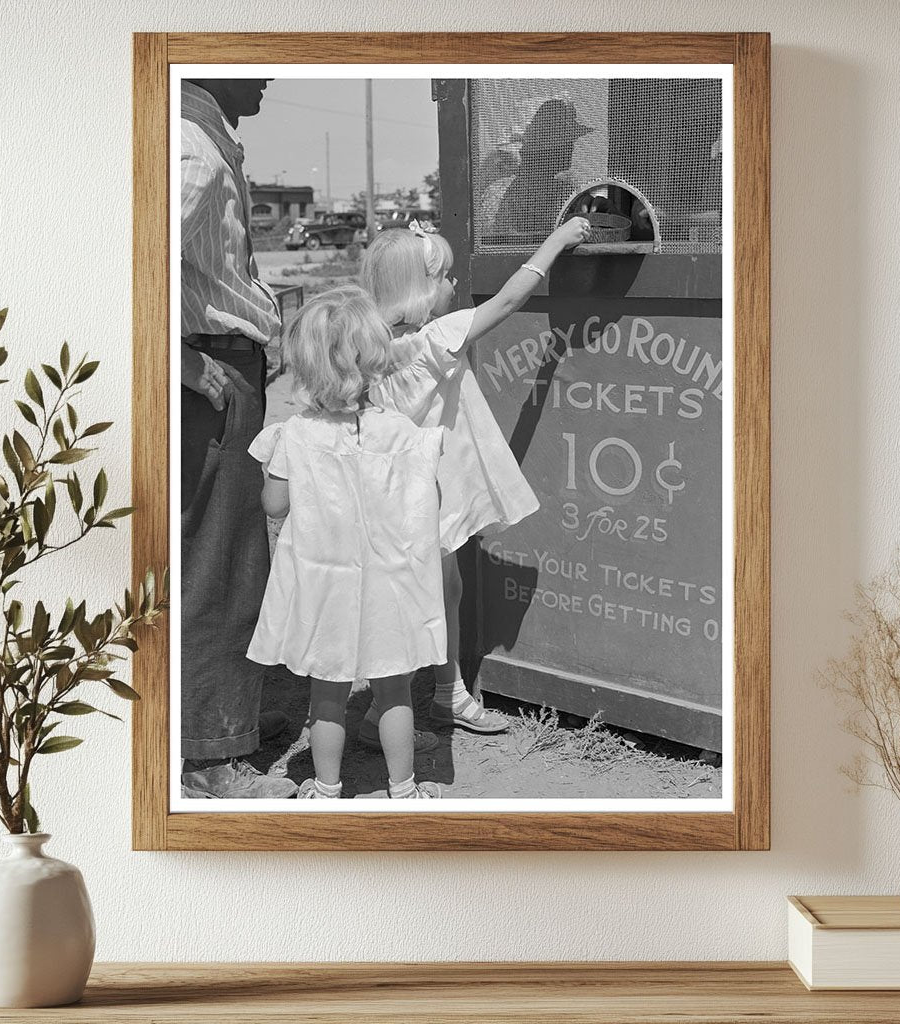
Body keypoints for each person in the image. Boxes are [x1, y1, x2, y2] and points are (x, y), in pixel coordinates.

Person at [361, 215, 591, 735]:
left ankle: (423, 695)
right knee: (437, 591)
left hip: (389, 494)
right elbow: (509, 301)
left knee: (429, 590)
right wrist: (556, 239)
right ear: (418, 292)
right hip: (428, 491)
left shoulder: (372, 348)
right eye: (444, 279)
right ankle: (417, 702)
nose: (454, 285)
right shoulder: (438, 338)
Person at [247, 287, 447, 800]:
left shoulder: (294, 435)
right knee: (395, 687)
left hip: (324, 579)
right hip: (388, 579)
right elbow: (428, 494)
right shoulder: (400, 432)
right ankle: (403, 790)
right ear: (373, 359)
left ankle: (327, 787)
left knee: (327, 691)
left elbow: (274, 506)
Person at [179, 78, 296, 799]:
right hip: (208, 367)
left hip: (223, 358)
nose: (266, 73)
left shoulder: (201, 135)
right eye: (249, 60)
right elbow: (122, 263)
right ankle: (207, 755)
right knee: (219, 563)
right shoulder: (191, 145)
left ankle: (216, 731)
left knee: (226, 553)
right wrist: (186, 358)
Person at [494, 98, 594, 238]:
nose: (571, 148)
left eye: (571, 142)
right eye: (566, 143)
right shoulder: (524, 189)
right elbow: (503, 236)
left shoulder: (567, 188)